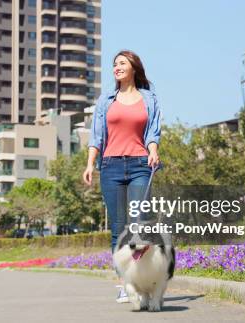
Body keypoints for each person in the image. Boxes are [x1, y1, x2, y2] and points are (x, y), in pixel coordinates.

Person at [82, 50, 162, 303]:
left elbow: (153, 132)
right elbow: (96, 136)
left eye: (122, 63)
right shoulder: (106, 101)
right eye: (114, 64)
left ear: (134, 68)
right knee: (118, 229)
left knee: (138, 225)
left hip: (140, 165)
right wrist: (89, 164)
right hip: (111, 167)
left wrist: (153, 151)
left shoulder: (149, 99)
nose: (116, 67)